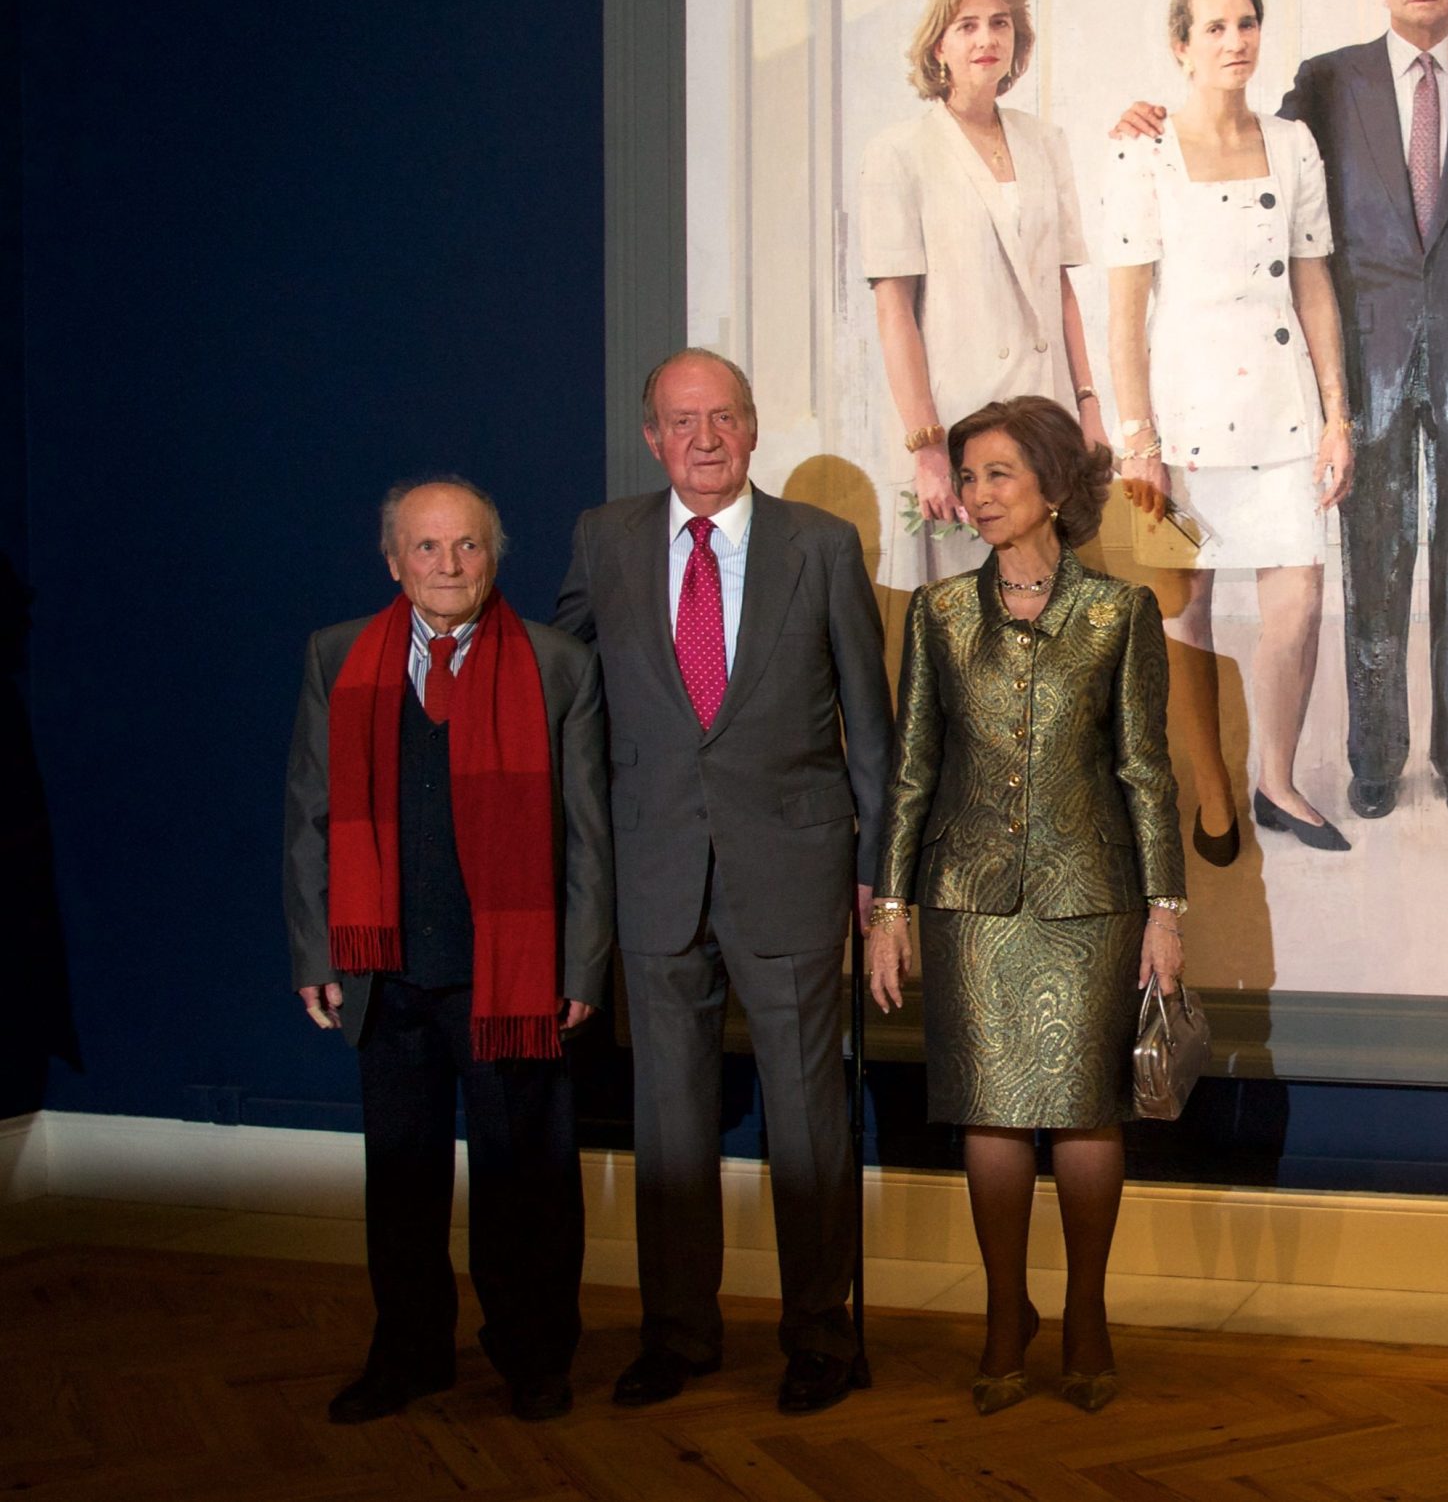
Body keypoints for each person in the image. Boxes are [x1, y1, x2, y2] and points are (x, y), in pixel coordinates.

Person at [1116, 0, 1448, 821]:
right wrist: (1147, 115)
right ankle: (1373, 759)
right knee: (1371, 572)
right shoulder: (1327, 83)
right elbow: (1252, 177)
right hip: (1368, 365)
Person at [553, 348, 894, 1413]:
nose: (703, 438)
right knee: (670, 1118)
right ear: (652, 437)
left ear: (754, 431)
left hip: (794, 868)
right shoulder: (603, 541)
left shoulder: (822, 547)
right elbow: (562, 700)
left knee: (806, 1117)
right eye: (680, 420)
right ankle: (678, 1332)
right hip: (653, 871)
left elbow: (873, 738)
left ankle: (818, 1335)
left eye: (724, 418)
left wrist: (879, 884)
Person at [864, 395, 1184, 1416]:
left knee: (1090, 1118)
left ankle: (1086, 1317)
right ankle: (1007, 1316)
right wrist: (891, 908)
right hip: (969, 902)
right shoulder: (940, 614)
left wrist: (1165, 908)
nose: (976, 495)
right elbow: (912, 772)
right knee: (989, 1120)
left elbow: (1145, 772)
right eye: (967, 477)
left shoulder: (1119, 612)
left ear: (1052, 482)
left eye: (998, 473)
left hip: (1092, 901)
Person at [282, 479, 611, 1425]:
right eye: (426, 549)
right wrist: (316, 951)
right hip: (384, 978)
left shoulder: (556, 667)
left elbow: (589, 837)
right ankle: (410, 1354)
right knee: (403, 1183)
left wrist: (580, 968)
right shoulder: (338, 657)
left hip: (512, 978)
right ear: (394, 561)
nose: (447, 566)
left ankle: (534, 1355)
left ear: (492, 557)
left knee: (529, 1184)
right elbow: (309, 816)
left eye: (465, 547)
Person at [1099, 0, 1356, 860]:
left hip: (1280, 411)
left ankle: (1277, 781)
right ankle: (1208, 788)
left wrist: (1337, 415)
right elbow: (1124, 311)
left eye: (1247, 23)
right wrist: (1137, 444)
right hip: (1178, 421)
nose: (1235, 41)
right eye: (1213, 28)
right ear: (1180, 45)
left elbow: (1315, 281)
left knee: (1298, 601)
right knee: (1181, 609)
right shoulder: (1142, 149)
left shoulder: (1292, 143)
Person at [860, 0, 1111, 587]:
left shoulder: (1044, 141)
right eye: (966, 25)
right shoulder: (899, 152)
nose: (985, 38)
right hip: (961, 423)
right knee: (968, 622)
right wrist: (926, 448)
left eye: (999, 23)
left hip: (1045, 418)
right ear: (938, 45)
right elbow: (894, 311)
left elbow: (1060, 290)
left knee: (1050, 606)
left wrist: (1089, 409)